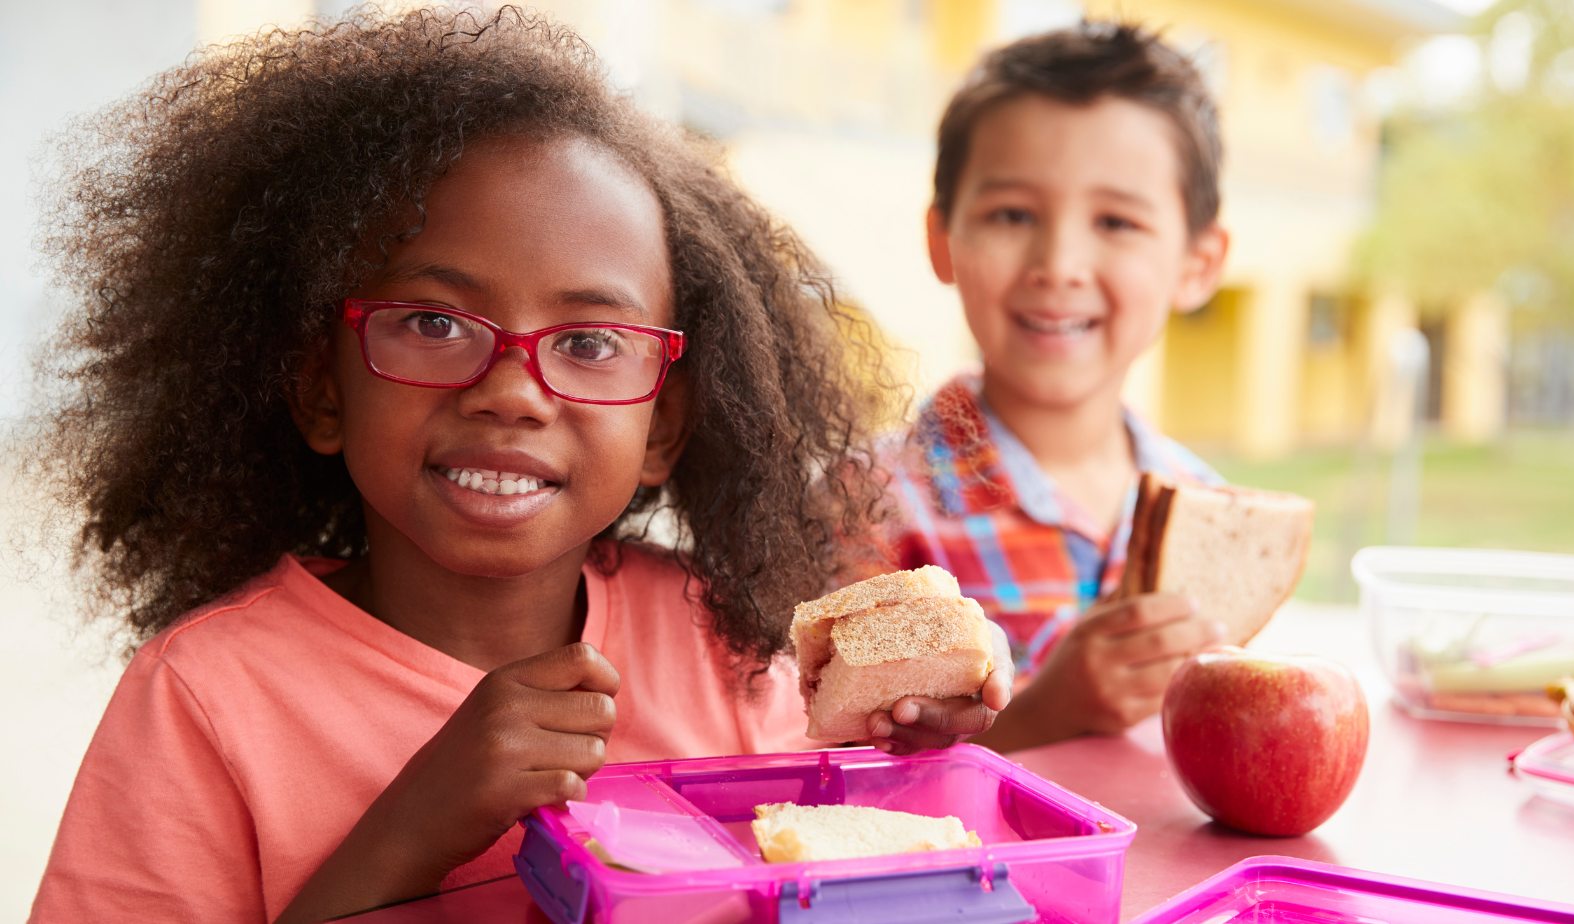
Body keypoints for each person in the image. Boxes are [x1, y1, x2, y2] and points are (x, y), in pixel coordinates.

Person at [24, 9, 1005, 923]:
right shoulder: (205, 697)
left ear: (660, 426)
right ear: (321, 390)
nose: (511, 390)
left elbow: (841, 881)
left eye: (587, 342)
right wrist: (412, 832)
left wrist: (912, 763)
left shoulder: (722, 650)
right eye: (435, 323)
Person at [869, 23, 1233, 754]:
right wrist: (1044, 713)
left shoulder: (1211, 511)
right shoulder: (867, 506)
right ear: (943, 240)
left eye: (1116, 222)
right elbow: (839, 769)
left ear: (1197, 262)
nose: (1060, 263)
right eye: (1012, 215)